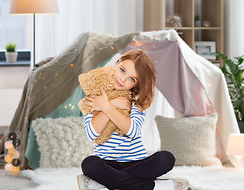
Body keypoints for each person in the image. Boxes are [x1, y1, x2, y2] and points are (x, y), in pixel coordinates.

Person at [77, 49, 189, 190]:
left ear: (136, 84)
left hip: (137, 163)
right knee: (89, 163)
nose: (123, 79)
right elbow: (91, 134)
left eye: (132, 79)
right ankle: (155, 187)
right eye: (122, 70)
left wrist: (106, 107)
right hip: (106, 163)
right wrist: (108, 105)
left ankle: (103, 183)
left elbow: (133, 131)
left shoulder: (135, 103)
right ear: (116, 64)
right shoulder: (94, 98)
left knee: (167, 158)